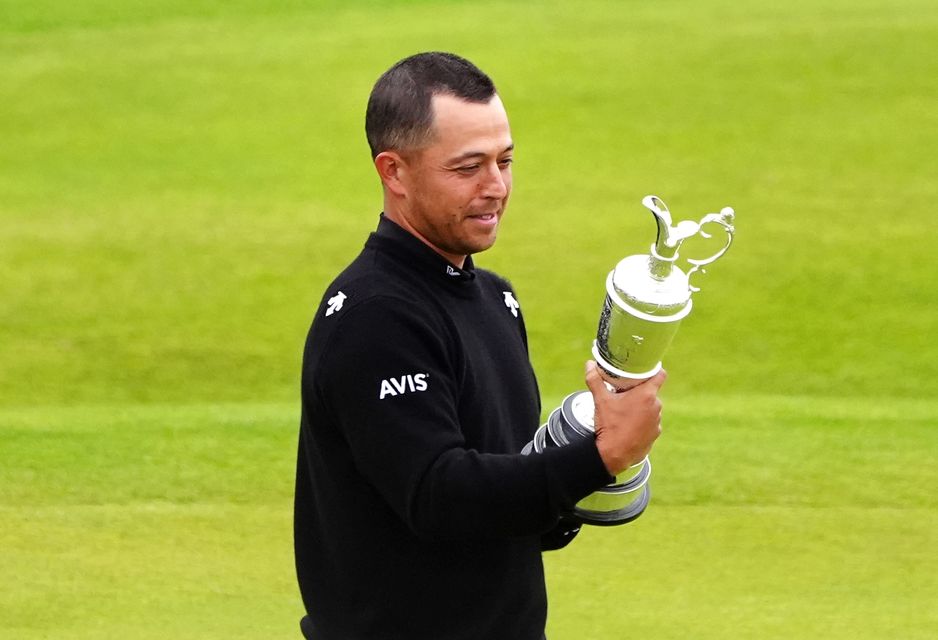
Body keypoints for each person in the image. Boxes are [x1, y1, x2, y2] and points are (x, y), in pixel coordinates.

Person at [294, 51, 666, 640]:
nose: (496, 187)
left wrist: (581, 459)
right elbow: (439, 497)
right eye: (468, 167)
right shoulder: (375, 316)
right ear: (393, 171)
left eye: (505, 161)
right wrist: (599, 457)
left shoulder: (496, 300)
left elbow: (506, 505)